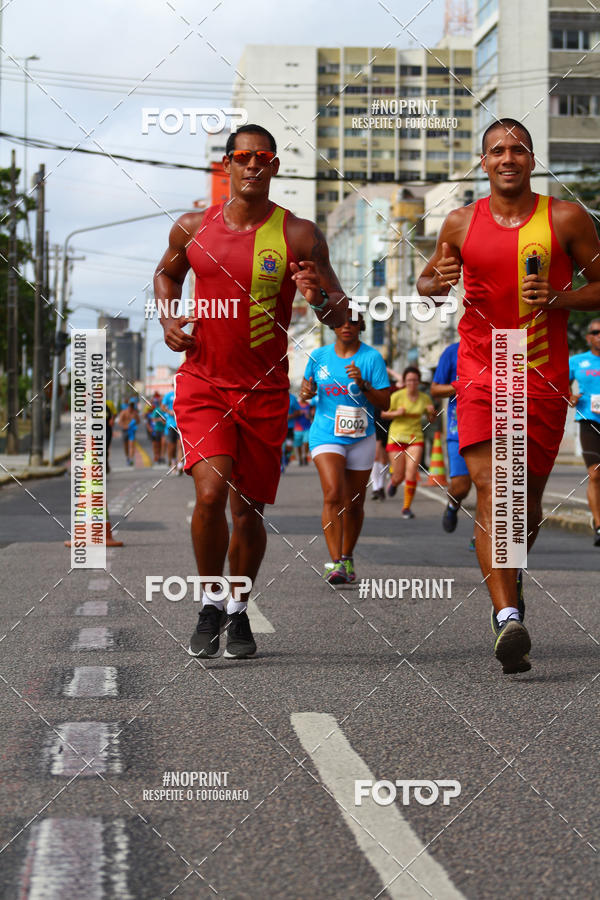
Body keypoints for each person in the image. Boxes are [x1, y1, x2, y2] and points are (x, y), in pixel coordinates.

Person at [154, 123, 349, 658]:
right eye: (242, 157)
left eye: (262, 156)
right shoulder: (194, 228)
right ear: (228, 165)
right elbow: (166, 276)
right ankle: (210, 600)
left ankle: (238, 609)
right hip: (203, 384)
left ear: (275, 166)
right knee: (211, 494)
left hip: (263, 392)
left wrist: (318, 298)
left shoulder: (299, 235)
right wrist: (170, 320)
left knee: (248, 513)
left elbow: (341, 313)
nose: (252, 165)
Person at [417, 116, 600, 674]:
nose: (508, 158)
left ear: (532, 158)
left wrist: (562, 299)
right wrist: (435, 282)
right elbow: (426, 284)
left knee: (526, 503)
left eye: (518, 149)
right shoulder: (457, 223)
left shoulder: (565, 217)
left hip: (540, 376)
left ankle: (509, 576)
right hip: (479, 369)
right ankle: (507, 617)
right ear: (484, 162)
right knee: (494, 488)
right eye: (497, 150)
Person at [299, 314, 390, 584]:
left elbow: (383, 403)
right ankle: (334, 562)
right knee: (333, 494)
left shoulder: (371, 358)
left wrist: (363, 385)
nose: (346, 326)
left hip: (361, 436)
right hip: (326, 434)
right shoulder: (319, 356)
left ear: (361, 325)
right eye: (340, 322)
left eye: (352, 321)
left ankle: (347, 558)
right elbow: (306, 392)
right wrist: (305, 393)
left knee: (354, 503)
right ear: (332, 326)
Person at [431, 341, 473, 537]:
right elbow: (435, 389)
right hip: (459, 431)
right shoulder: (452, 352)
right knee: (461, 487)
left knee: (491, 488)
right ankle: (453, 504)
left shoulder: (502, 348)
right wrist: (461, 386)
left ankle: (481, 536)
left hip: (496, 430)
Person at [382, 367, 435, 518]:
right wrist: (396, 413)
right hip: (396, 438)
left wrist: (432, 413)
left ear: (419, 382)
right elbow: (383, 414)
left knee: (411, 473)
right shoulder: (397, 396)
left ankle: (406, 508)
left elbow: (432, 420)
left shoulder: (425, 398)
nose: (412, 383)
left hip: (415, 439)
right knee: (398, 476)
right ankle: (393, 483)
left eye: (415, 380)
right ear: (404, 382)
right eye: (409, 380)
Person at [569, 318, 600, 545]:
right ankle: (599, 525)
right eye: (596, 332)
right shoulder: (577, 361)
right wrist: (569, 397)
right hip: (589, 421)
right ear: (589, 337)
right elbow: (561, 386)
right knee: (595, 474)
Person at [162, 383, 183, 474]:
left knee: (180, 445)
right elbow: (162, 407)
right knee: (171, 446)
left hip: (181, 424)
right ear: (172, 385)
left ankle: (180, 465)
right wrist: (169, 411)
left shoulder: (182, 394)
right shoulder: (168, 395)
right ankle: (172, 461)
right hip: (171, 424)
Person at [117, 399, 139, 466]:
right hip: (125, 431)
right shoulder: (123, 412)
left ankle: (131, 459)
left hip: (132, 431)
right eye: (130, 407)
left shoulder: (135, 413)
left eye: (132, 407)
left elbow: (138, 421)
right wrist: (125, 426)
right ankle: (127, 457)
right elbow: (119, 422)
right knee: (126, 446)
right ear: (128, 407)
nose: (131, 408)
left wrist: (134, 423)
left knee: (131, 445)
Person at [293, 397, 313, 466]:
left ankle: (305, 455)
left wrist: (309, 416)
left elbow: (312, 414)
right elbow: (293, 414)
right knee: (298, 445)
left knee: (306, 442)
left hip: (307, 427)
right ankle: (300, 458)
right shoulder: (297, 405)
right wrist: (298, 413)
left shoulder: (309, 405)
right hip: (297, 428)